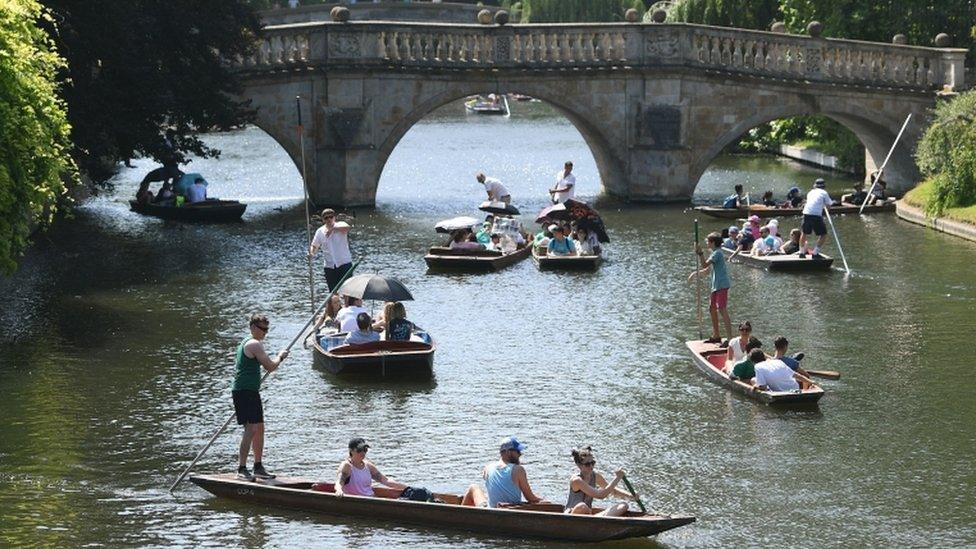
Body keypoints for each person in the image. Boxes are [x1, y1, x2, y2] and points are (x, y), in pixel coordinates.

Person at [233, 314, 289, 481]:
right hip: (243, 391)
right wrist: (281, 356)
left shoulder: (255, 343)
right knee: (250, 429)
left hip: (251, 391)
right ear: (252, 327)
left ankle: (258, 466)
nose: (265, 332)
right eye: (262, 329)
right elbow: (270, 367)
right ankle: (241, 469)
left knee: (259, 429)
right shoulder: (253, 344)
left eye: (267, 329)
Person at [461, 437, 544, 508]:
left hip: (490, 510)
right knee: (474, 488)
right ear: (508, 452)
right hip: (509, 512)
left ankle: (461, 515)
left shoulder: (488, 468)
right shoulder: (518, 470)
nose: (520, 454)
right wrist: (544, 501)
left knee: (473, 487)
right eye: (518, 451)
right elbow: (530, 498)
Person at [688, 232, 733, 346]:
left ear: (713, 242)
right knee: (711, 308)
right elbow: (707, 270)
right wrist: (695, 274)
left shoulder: (717, 253)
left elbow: (704, 264)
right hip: (715, 286)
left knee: (722, 309)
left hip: (721, 285)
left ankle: (730, 339)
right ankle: (716, 335)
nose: (706, 243)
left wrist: (700, 253)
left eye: (708, 241)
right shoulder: (714, 254)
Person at [564, 446, 632, 517]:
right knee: (582, 507)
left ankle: (596, 522)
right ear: (579, 465)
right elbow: (600, 495)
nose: (591, 466)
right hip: (571, 516)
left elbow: (611, 490)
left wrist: (630, 496)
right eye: (587, 464)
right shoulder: (577, 480)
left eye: (592, 463)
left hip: (589, 516)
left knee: (624, 505)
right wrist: (617, 478)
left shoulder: (595, 475)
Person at [335, 438, 408, 497]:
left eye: (365, 450)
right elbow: (339, 482)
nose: (363, 453)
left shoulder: (368, 466)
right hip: (357, 501)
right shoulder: (347, 466)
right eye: (359, 450)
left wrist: (406, 488)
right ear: (351, 451)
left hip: (371, 498)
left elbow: (385, 480)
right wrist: (339, 490)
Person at [309, 208, 353, 292]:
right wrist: (311, 253)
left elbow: (347, 228)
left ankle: (348, 304)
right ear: (323, 220)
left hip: (344, 263)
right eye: (326, 218)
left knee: (348, 290)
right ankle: (335, 305)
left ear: (334, 217)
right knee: (332, 292)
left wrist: (332, 229)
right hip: (330, 265)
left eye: (331, 217)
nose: (329, 219)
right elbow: (314, 245)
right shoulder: (320, 231)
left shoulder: (340, 224)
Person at [799, 178, 835, 259]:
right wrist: (824, 213)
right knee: (823, 234)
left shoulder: (810, 192)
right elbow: (829, 206)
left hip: (806, 213)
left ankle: (801, 253)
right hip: (816, 215)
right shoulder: (824, 193)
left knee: (804, 233)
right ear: (823, 186)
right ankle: (815, 253)